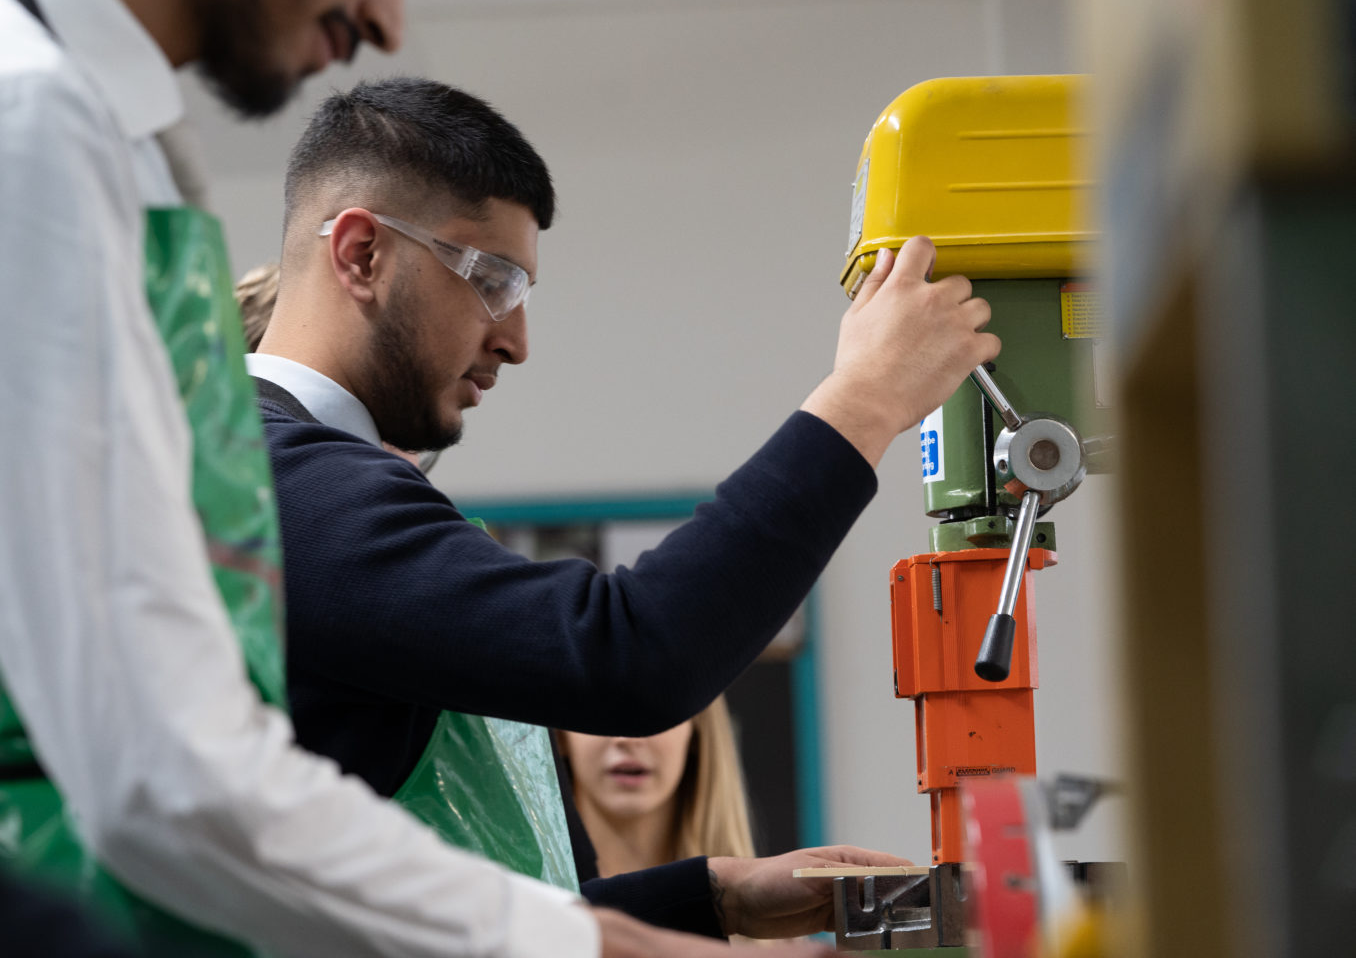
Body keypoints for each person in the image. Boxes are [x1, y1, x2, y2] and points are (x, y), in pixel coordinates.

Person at [0, 0, 844, 956]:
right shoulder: (8, 115)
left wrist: (688, 901)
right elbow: (158, 771)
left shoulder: (94, 128)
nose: (386, 18)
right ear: (361, 254)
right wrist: (580, 942)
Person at [253, 78, 996, 936]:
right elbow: (627, 653)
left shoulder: (285, 478)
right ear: (361, 255)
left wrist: (714, 895)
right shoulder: (280, 482)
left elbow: (430, 917)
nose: (515, 340)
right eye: (491, 280)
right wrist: (865, 399)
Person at [559, 697, 756, 880]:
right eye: (598, 704)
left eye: (654, 705)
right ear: (561, 734)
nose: (626, 737)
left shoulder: (757, 902)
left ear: (697, 731)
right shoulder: (538, 899)